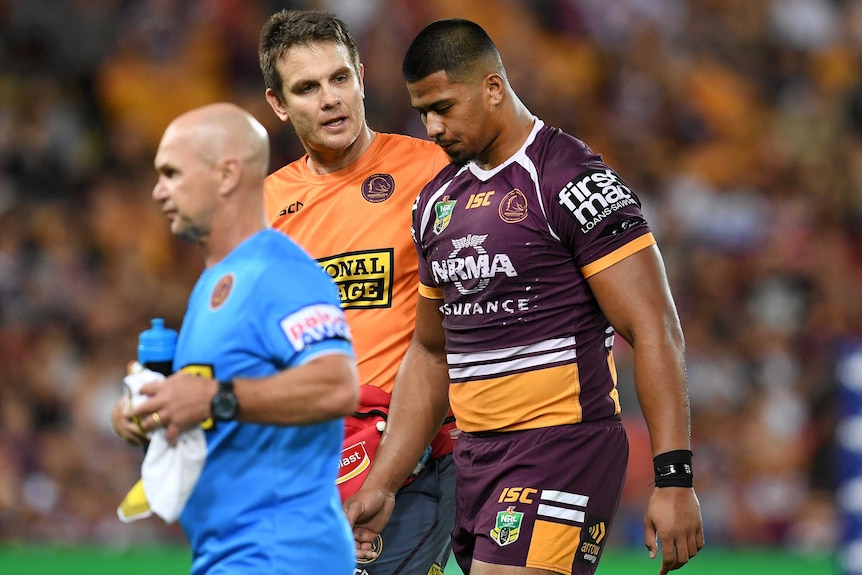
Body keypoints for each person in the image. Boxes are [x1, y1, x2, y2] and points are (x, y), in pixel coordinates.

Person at [346, 18, 706, 575]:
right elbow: (432, 352)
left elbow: (654, 327)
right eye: (422, 112)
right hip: (474, 460)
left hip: (562, 447)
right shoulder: (435, 203)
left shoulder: (571, 178)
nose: (433, 127)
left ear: (493, 87)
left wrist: (674, 479)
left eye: (444, 106)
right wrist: (384, 482)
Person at [110, 102, 359, 575]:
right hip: (231, 555)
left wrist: (214, 397)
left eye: (172, 173)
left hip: (280, 554)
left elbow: (336, 385)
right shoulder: (213, 284)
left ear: (226, 175)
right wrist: (155, 412)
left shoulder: (280, 272)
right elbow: (216, 414)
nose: (158, 191)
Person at [257, 10, 457, 575]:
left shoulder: (436, 171)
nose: (329, 99)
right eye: (307, 87)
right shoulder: (263, 211)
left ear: (362, 78)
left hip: (417, 462)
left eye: (339, 78)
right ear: (278, 103)